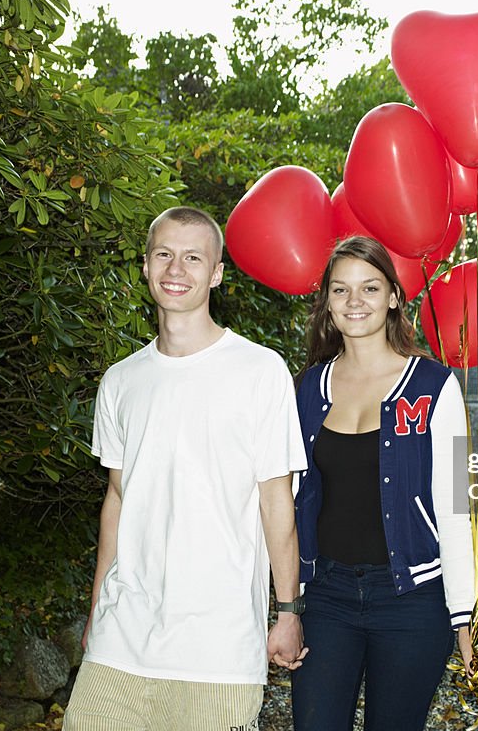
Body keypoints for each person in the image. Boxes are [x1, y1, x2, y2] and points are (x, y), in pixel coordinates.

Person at [64, 206, 308, 731]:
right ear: (147, 267)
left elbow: (275, 502)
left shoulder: (260, 371)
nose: (177, 270)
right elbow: (118, 500)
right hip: (120, 640)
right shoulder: (121, 380)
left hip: (217, 651)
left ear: (216, 273)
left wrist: (287, 612)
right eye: (164, 255)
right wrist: (94, 614)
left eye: (194, 257)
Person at [290, 235, 476, 731]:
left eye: (370, 288)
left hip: (413, 600)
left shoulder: (436, 385)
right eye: (340, 290)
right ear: (327, 303)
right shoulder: (310, 386)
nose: (355, 302)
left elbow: (456, 504)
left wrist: (462, 612)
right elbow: (289, 499)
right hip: (327, 596)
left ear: (393, 296)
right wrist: (286, 602)